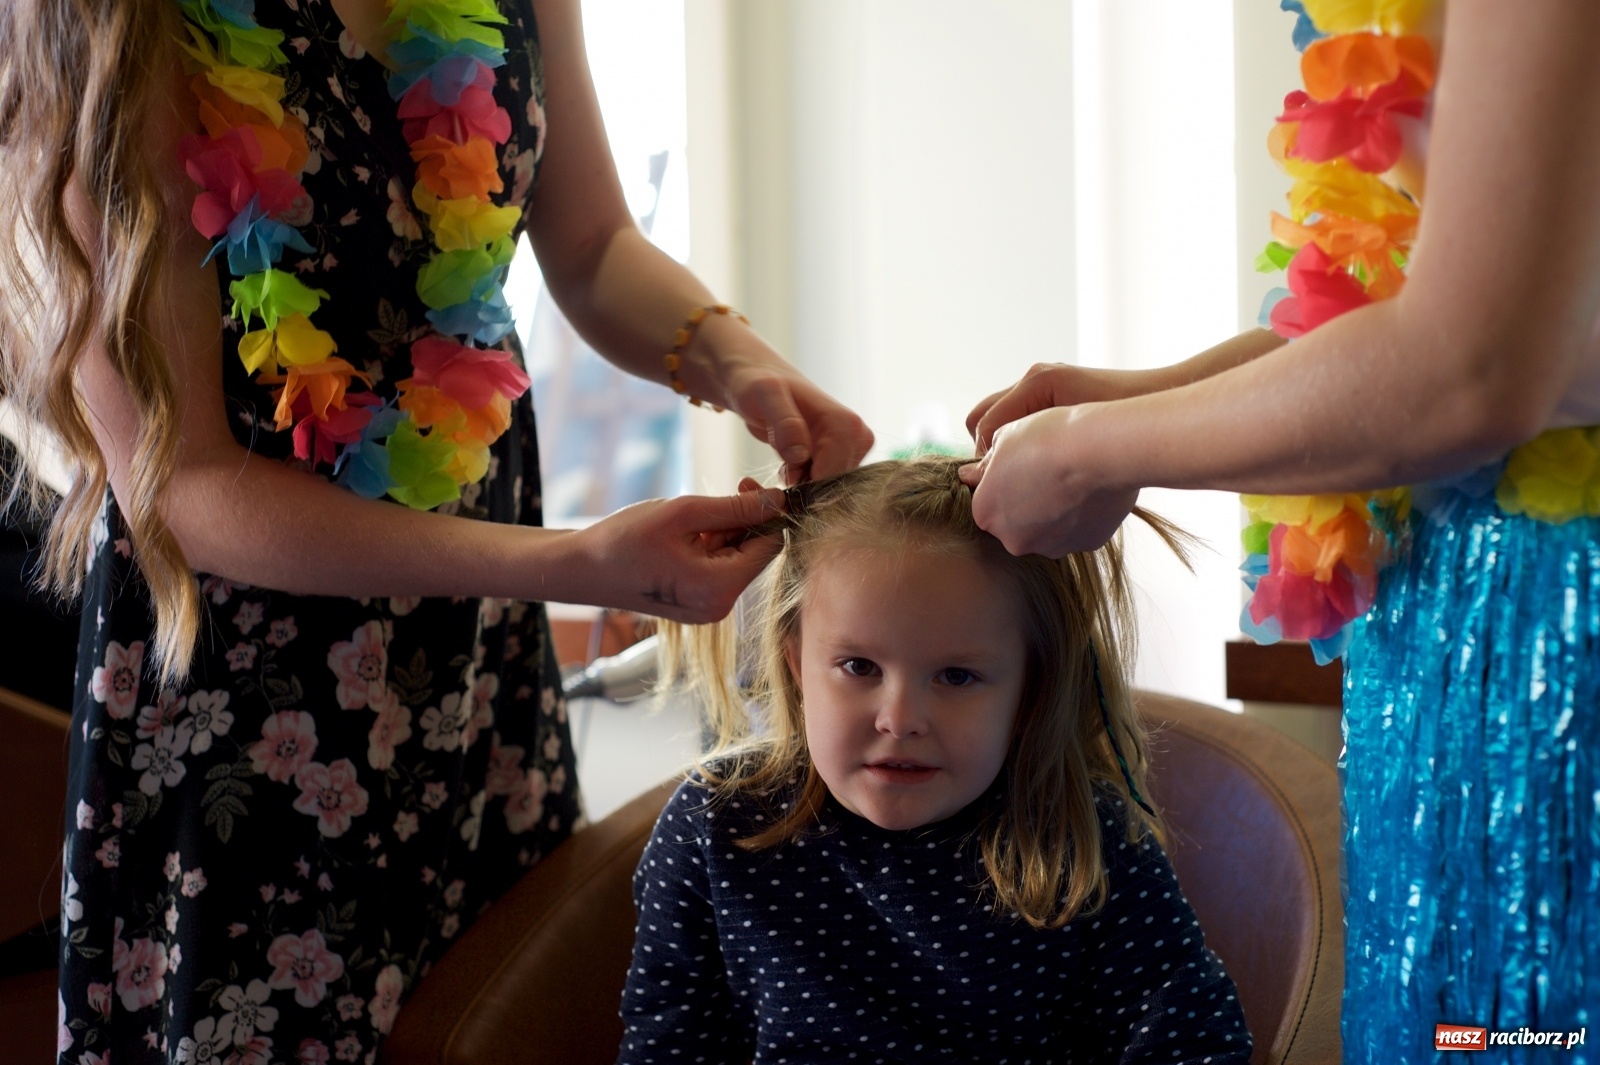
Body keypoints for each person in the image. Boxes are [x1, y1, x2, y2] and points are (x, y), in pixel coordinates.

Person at [0, 0, 872, 1057]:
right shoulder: (113, 20)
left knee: (504, 1020)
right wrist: (574, 566)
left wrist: (744, 366)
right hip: (245, 710)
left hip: (473, 677)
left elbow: (592, 246)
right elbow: (179, 480)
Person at [959, 2, 1600, 1061]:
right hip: (1443, 641)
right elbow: (1408, 317)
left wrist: (1094, 450)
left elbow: (1468, 371)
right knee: (1453, 1021)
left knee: (1530, 1026)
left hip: (1561, 646)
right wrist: (1128, 404)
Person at [618, 457, 1250, 1064]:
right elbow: (667, 1048)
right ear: (795, 663)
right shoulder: (714, 825)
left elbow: (1192, 1044)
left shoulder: (1086, 838)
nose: (899, 718)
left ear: (1031, 686)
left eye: (956, 676)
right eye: (859, 667)